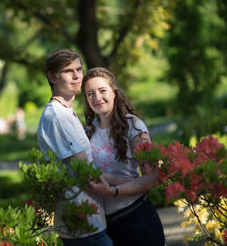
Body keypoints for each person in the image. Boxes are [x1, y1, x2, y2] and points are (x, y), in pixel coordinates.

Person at [37, 49, 113, 246]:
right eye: (68, 71)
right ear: (52, 76)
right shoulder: (57, 116)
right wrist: (133, 184)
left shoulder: (65, 112)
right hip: (83, 226)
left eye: (79, 69)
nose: (77, 75)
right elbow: (86, 172)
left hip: (89, 221)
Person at [82, 67, 165, 246]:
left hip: (137, 220)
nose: (97, 98)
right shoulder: (88, 131)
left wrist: (112, 187)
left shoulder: (133, 125)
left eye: (102, 91)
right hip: (105, 226)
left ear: (114, 92)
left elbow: (151, 179)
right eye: (90, 94)